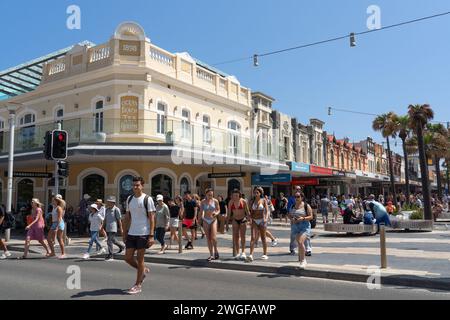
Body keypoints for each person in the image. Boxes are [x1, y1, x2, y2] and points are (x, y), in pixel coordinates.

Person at [123, 176, 156, 295]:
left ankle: (138, 285)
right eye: (133, 185)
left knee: (140, 259)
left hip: (143, 233)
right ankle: (143, 270)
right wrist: (124, 232)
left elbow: (152, 218)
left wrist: (151, 235)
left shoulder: (147, 199)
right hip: (132, 232)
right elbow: (127, 217)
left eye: (137, 185)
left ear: (142, 186)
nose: (135, 187)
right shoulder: (129, 199)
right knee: (127, 258)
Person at [288, 192, 313, 269]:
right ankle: (300, 258)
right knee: (299, 243)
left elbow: (311, 216)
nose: (296, 198)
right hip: (295, 226)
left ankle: (303, 261)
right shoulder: (292, 206)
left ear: (302, 197)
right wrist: (291, 218)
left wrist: (303, 218)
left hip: (304, 226)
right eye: (295, 196)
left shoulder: (306, 205)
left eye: (298, 196)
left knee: (300, 241)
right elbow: (289, 214)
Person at [247, 187, 270, 262]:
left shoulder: (263, 200)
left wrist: (266, 219)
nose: (256, 194)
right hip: (254, 220)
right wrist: (249, 219)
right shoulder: (252, 201)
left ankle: (265, 254)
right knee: (253, 237)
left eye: (257, 193)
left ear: (260, 193)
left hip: (262, 220)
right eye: (255, 193)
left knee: (263, 238)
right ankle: (250, 254)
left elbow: (267, 210)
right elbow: (249, 212)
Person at [227, 189, 250, 260]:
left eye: (237, 195)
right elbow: (229, 213)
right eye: (234, 195)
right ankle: (237, 252)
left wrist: (250, 220)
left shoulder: (243, 201)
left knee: (243, 236)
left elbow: (247, 211)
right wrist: (227, 223)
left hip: (243, 219)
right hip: (235, 220)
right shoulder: (231, 202)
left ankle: (243, 252)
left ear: (239, 195)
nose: (235, 197)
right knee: (236, 236)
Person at [200, 189, 221, 261]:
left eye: (211, 195)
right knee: (208, 238)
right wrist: (201, 218)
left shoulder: (215, 201)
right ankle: (211, 254)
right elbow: (201, 211)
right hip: (206, 220)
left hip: (213, 220)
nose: (210, 196)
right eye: (209, 195)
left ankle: (216, 250)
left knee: (214, 237)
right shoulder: (202, 202)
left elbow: (218, 210)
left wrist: (216, 213)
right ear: (206, 194)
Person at [103, 196, 125, 261]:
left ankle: (111, 255)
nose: (108, 203)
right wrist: (102, 227)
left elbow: (119, 220)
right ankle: (122, 246)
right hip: (107, 227)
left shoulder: (116, 209)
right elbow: (105, 219)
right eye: (108, 202)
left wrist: (121, 228)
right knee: (113, 240)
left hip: (113, 227)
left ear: (113, 203)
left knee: (109, 241)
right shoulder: (107, 210)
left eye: (109, 202)